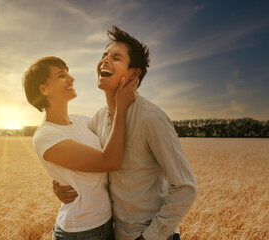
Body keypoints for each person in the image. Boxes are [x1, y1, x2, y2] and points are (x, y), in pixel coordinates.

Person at [53, 26, 198, 240]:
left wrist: (150, 236)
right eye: (104, 55)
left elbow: (186, 187)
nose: (105, 60)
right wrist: (59, 184)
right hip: (115, 234)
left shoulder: (151, 118)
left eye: (116, 57)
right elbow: (89, 165)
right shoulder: (98, 119)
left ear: (134, 73)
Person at [22, 56, 139, 240]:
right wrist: (122, 105)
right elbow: (110, 160)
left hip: (103, 222)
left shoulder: (82, 121)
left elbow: (115, 137)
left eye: (68, 73)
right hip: (82, 231)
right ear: (43, 89)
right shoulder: (46, 136)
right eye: (61, 75)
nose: (71, 78)